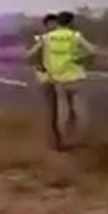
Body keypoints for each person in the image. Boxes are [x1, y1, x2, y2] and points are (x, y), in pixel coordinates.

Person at [27, 11, 95, 149]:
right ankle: (72, 138)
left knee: (62, 111)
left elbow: (29, 54)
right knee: (73, 110)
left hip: (57, 78)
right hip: (71, 76)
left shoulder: (47, 38)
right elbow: (92, 50)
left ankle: (64, 139)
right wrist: (79, 58)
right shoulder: (74, 36)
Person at [28, 13, 59, 147]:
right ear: (46, 26)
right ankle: (54, 138)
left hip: (62, 76)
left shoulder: (61, 39)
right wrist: (40, 66)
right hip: (47, 77)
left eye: (55, 23)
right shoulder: (43, 39)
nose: (54, 26)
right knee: (52, 109)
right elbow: (31, 54)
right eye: (51, 24)